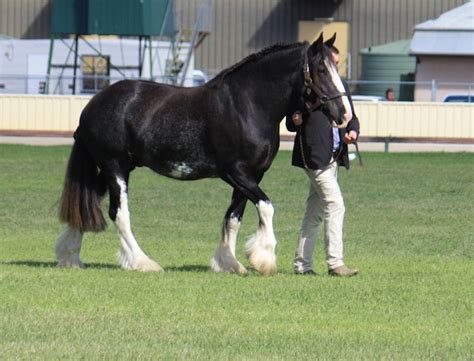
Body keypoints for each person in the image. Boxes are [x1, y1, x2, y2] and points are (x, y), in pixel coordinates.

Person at [286, 46, 359, 277]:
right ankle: (335, 263)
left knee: (314, 213)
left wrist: (353, 132)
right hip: (316, 158)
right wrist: (296, 119)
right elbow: (290, 122)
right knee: (336, 205)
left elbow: (352, 118)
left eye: (337, 63)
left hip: (335, 156)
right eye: (332, 63)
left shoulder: (341, 86)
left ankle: (302, 265)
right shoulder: (307, 87)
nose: (335, 67)